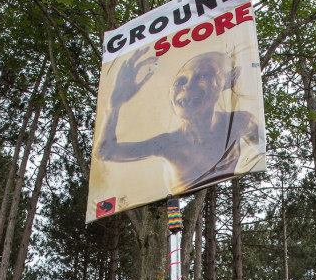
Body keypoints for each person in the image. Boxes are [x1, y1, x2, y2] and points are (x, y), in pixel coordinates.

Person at [98, 50, 260, 196]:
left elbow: (262, 149)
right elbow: (106, 152)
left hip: (223, 194)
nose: (188, 85)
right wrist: (114, 105)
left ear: (225, 83)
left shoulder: (239, 122)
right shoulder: (168, 144)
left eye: (203, 76)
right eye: (180, 81)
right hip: (178, 209)